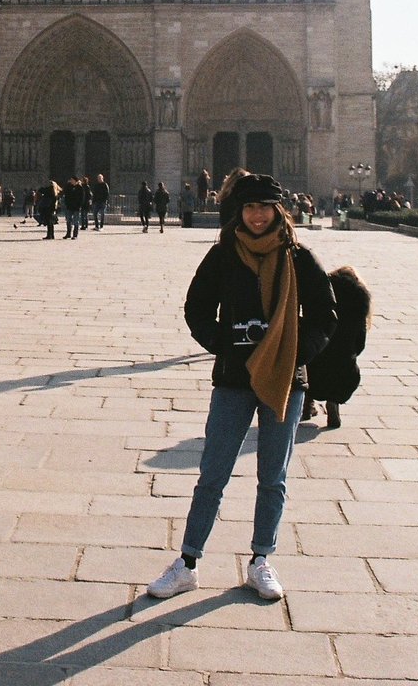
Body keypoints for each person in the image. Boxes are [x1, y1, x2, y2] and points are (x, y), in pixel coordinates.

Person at [147, 173, 336, 602]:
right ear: (240, 211)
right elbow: (196, 308)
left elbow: (326, 314)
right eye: (250, 207)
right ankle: (187, 563)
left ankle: (260, 560)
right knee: (212, 474)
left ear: (278, 211)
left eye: (264, 206)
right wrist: (224, 344)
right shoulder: (224, 254)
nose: (257, 215)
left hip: (286, 380)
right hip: (234, 378)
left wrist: (295, 351)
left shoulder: (299, 257)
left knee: (273, 477)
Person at [303, 265, 371, 428]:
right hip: (344, 375)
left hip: (313, 369)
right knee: (342, 363)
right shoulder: (359, 303)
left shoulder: (321, 295)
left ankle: (307, 403)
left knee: (306, 364)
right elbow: (359, 344)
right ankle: (333, 402)